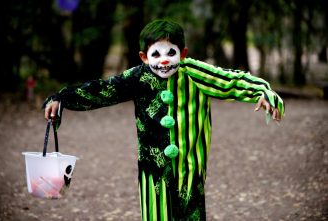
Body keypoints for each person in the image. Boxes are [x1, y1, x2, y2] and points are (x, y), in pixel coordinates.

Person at [44, 19, 284, 221]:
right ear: (144, 57)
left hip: (190, 170)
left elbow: (232, 80)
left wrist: (264, 92)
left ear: (184, 53)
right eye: (156, 53)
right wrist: (62, 98)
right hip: (152, 173)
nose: (164, 60)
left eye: (171, 52)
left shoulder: (196, 73)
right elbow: (103, 90)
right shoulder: (137, 77)